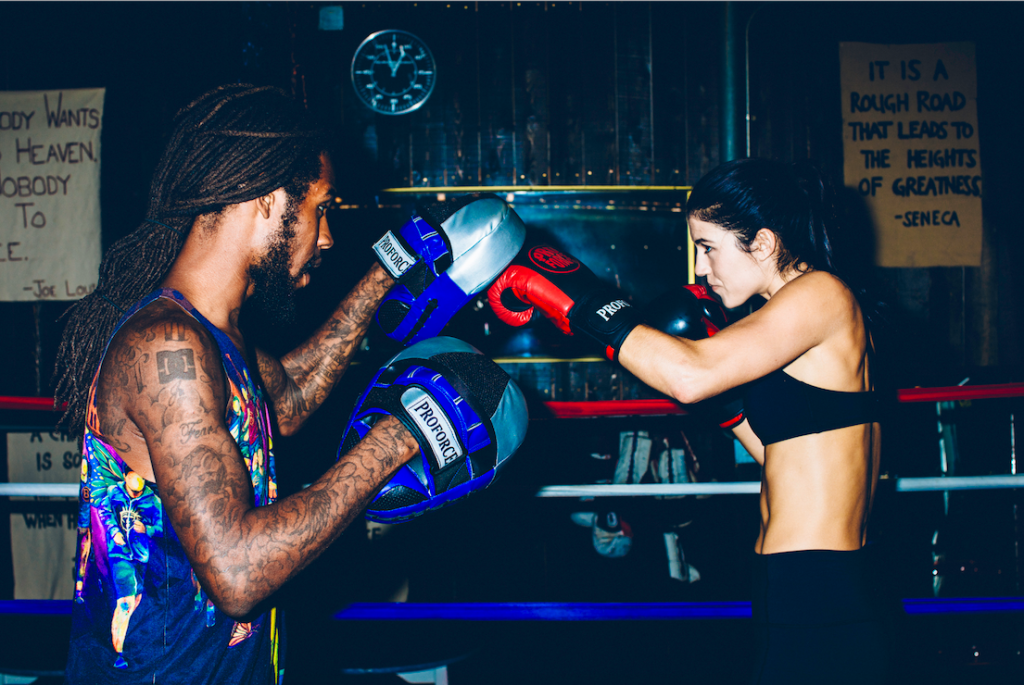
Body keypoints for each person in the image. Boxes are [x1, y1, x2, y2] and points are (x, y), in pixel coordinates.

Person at [54, 84, 521, 684]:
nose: (325, 236)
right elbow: (236, 574)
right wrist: (400, 437)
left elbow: (290, 399)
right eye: (320, 207)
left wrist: (386, 275)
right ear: (269, 199)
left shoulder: (216, 333)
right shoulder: (168, 346)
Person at [488, 157, 886, 683]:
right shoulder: (796, 313)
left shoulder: (820, 295)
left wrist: (578, 298)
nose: (700, 269)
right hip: (798, 577)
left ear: (763, 243)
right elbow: (781, 453)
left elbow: (689, 376)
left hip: (816, 580)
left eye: (708, 247)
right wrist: (726, 405)